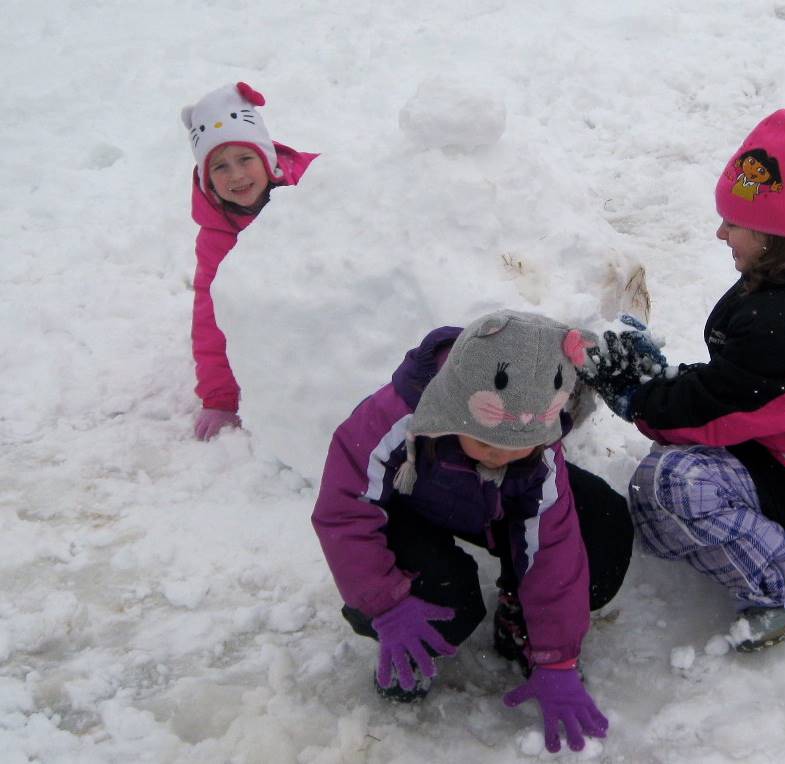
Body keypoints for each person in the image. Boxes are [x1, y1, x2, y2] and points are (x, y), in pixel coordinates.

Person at [571, 109, 785, 651]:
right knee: (662, 494)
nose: (720, 233)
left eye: (734, 222)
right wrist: (660, 380)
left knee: (667, 488)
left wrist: (639, 394)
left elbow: (716, 412)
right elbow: (741, 388)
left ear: (774, 231)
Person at [312, 310, 633, 753]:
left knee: (599, 531)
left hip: (493, 506)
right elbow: (344, 507)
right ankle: (408, 645)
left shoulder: (536, 444)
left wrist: (558, 658)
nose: (501, 455)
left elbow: (552, 550)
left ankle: (519, 618)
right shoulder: (401, 412)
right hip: (410, 511)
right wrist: (383, 602)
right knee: (447, 598)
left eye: (519, 446)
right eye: (486, 443)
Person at [181, 82, 318, 440]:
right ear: (207, 180)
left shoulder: (317, 188)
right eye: (220, 168)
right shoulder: (217, 237)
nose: (237, 175)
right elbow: (211, 317)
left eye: (245, 159)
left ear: (267, 159)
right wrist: (220, 398)